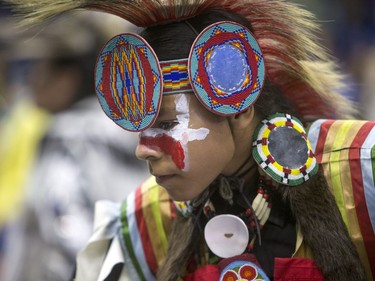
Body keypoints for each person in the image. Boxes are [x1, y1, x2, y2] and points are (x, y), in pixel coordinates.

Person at [5, 0, 374, 280]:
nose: (141, 148)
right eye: (141, 128)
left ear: (239, 107)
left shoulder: (359, 170)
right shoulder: (144, 222)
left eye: (166, 123)